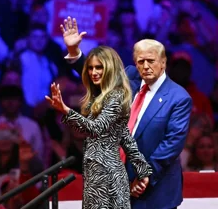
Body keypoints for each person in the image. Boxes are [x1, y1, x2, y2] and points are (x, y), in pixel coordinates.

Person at [61, 17, 192, 209]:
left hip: (154, 191)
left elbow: (170, 146)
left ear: (163, 63)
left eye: (151, 61)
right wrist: (74, 52)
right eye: (141, 61)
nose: (145, 66)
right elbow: (98, 76)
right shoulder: (130, 76)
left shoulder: (178, 98)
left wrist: (144, 177)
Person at [46, 45, 152, 209]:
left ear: (109, 68)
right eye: (90, 68)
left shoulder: (116, 96)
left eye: (99, 67)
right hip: (95, 173)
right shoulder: (99, 98)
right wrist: (143, 170)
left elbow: (96, 128)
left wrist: (65, 110)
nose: (93, 72)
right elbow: (124, 136)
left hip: (108, 175)